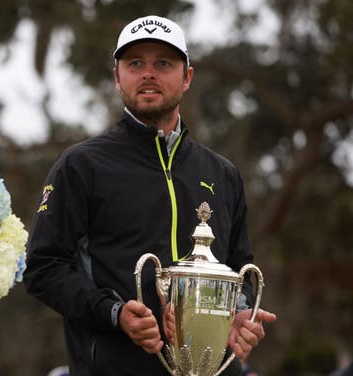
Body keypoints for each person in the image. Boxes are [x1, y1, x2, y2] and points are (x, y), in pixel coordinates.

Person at [24, 14, 277, 375]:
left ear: (187, 77)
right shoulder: (81, 165)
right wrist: (114, 314)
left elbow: (240, 270)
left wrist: (238, 311)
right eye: (135, 63)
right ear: (117, 77)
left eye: (163, 63)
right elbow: (43, 269)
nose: (148, 73)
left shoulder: (223, 174)